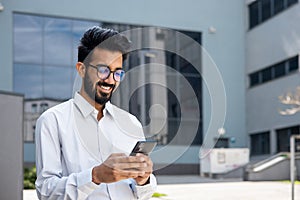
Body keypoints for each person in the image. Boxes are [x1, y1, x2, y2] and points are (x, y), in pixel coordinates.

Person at [35, 26, 157, 200]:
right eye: (103, 70)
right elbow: (46, 192)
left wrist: (144, 180)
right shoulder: (52, 121)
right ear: (82, 69)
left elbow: (144, 195)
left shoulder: (131, 123)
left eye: (117, 73)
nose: (110, 80)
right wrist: (95, 176)